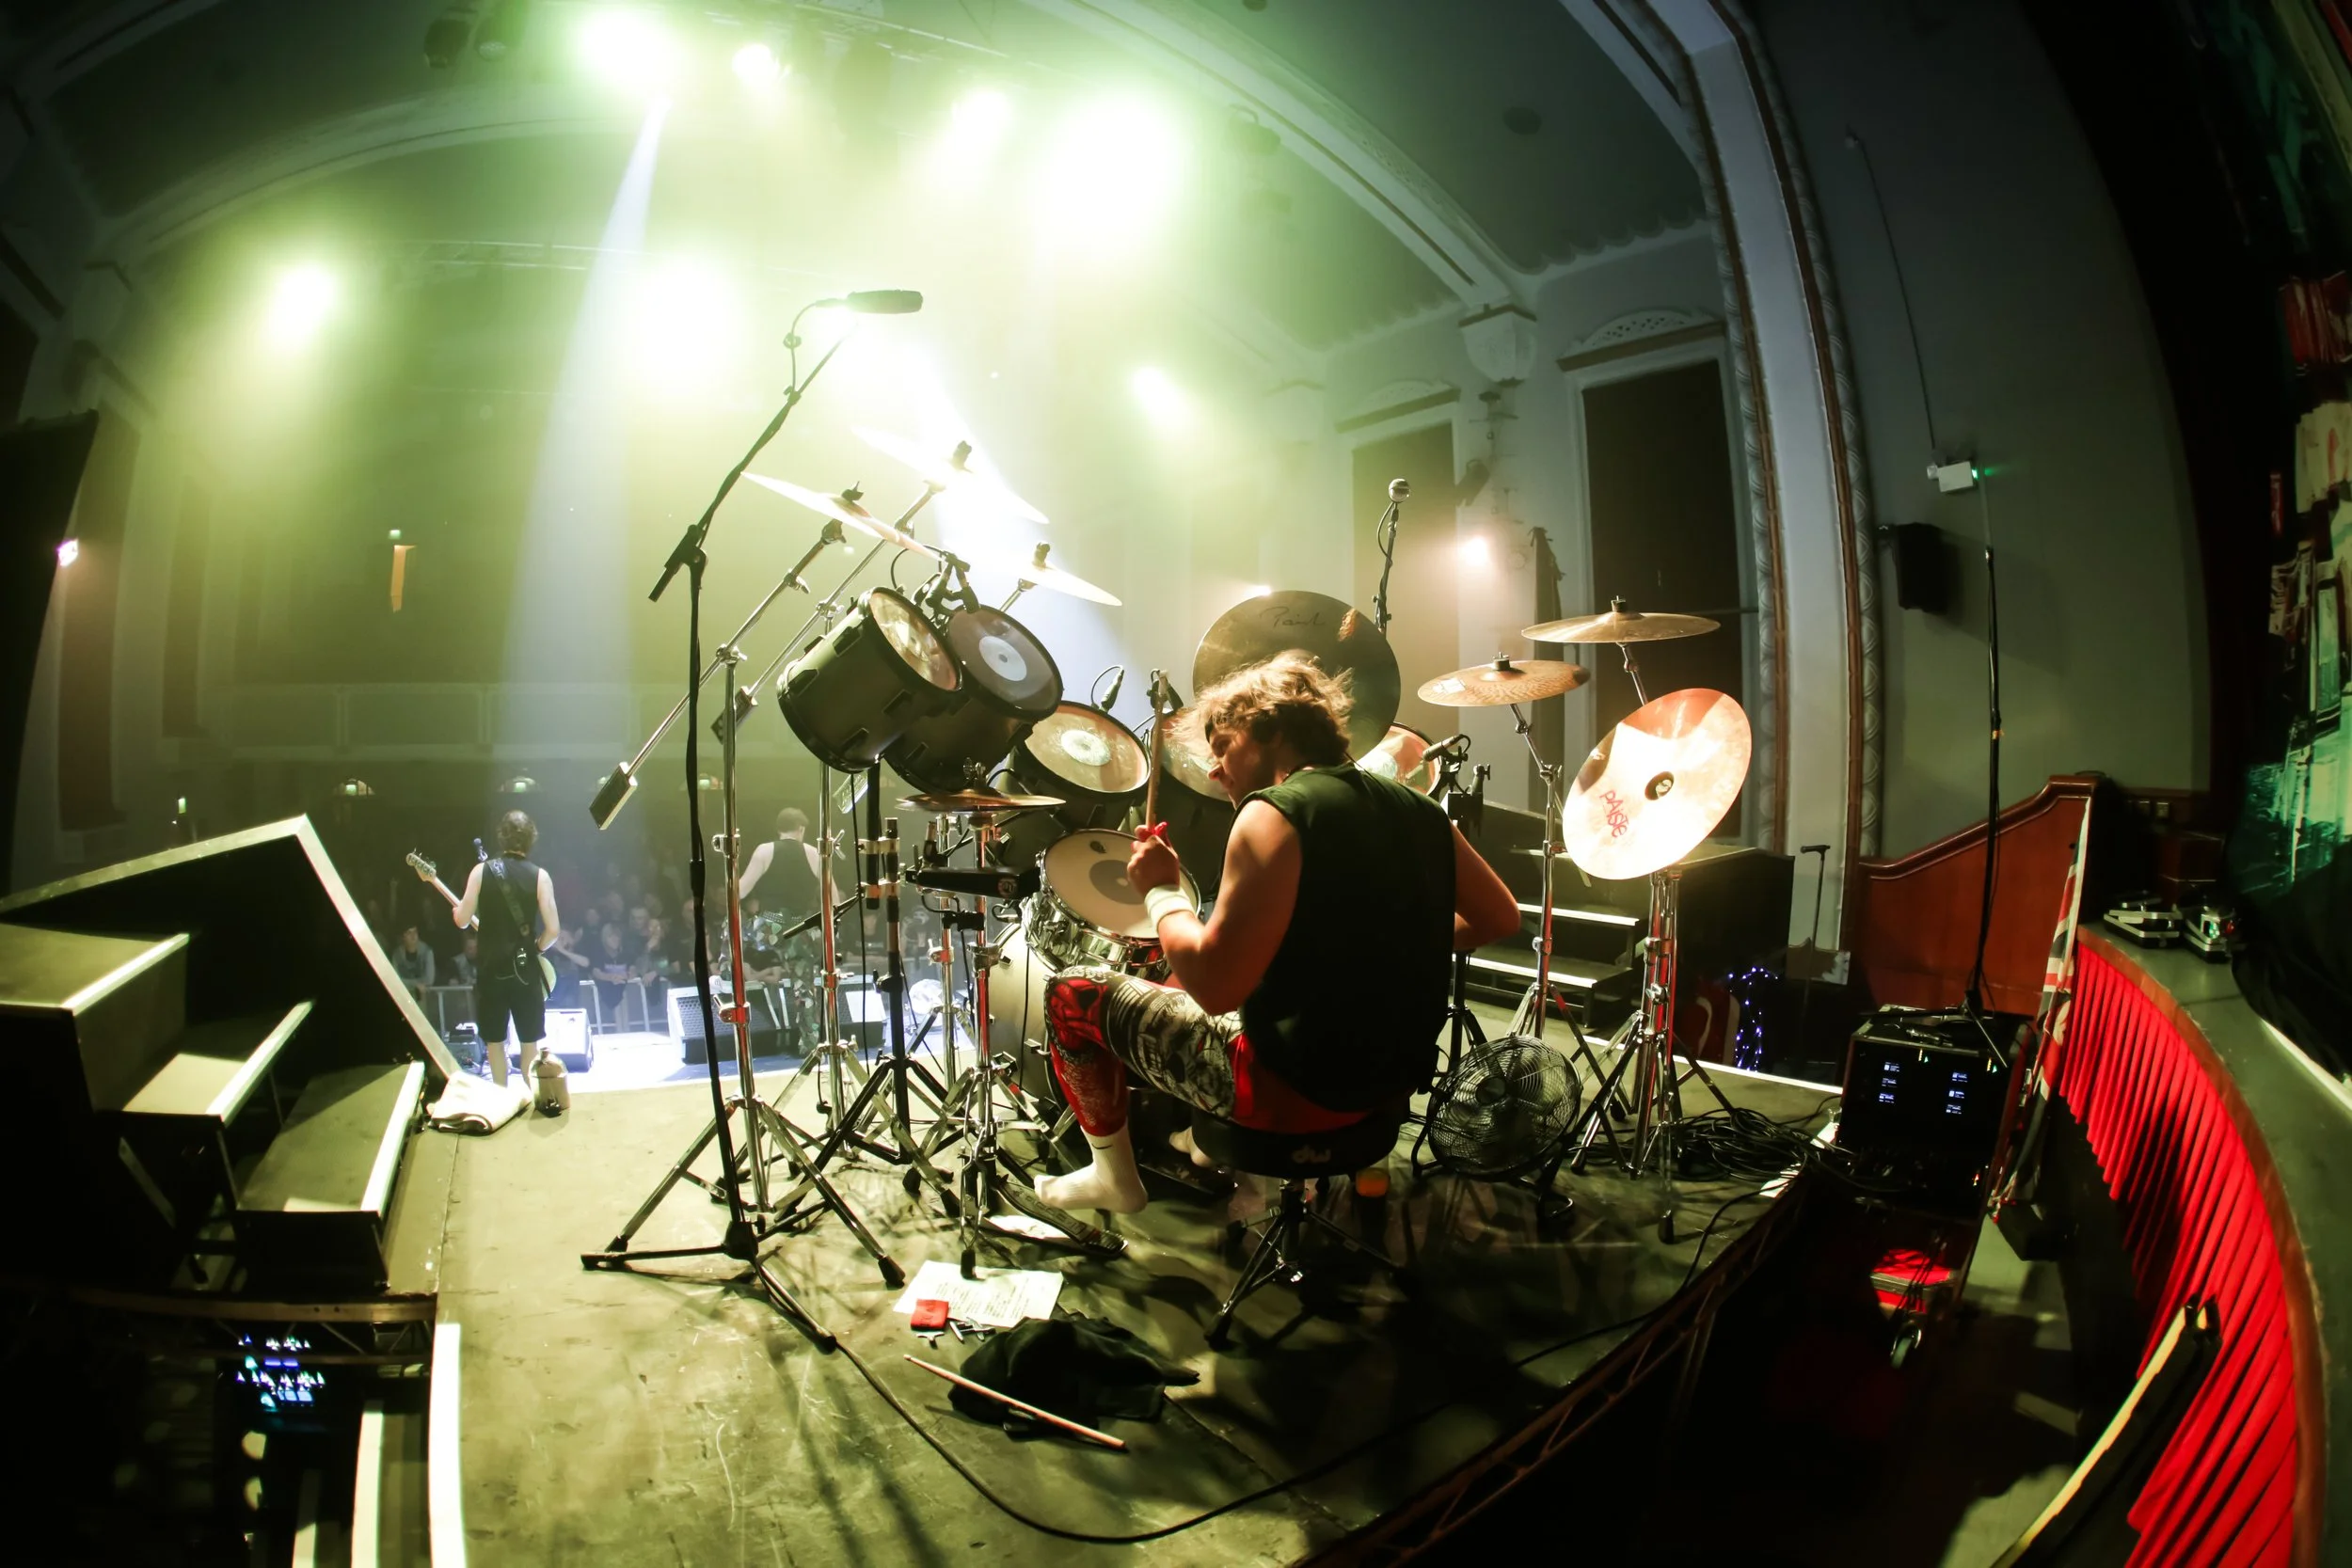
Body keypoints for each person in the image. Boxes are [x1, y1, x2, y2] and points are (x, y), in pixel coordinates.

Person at [1035, 656, 1521, 1215]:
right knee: (1176, 977)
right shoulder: (1421, 810)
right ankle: (1196, 1142)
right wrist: (1384, 939)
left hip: (1292, 1092)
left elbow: (1216, 989)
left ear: (1268, 727)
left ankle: (1111, 1176)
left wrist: (1160, 890)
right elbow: (1498, 919)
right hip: (1388, 1084)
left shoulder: (1274, 812)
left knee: (1072, 994)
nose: (1216, 770)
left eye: (1222, 747)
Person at [443, 810, 564, 1101]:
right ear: (531, 839)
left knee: (494, 1042)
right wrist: (535, 948)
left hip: (490, 970)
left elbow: (462, 920)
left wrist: (457, 913)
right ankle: (536, 1099)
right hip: (525, 972)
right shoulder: (541, 876)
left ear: (502, 836)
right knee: (529, 1043)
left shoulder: (480, 871)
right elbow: (553, 930)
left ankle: (501, 1101)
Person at [738, 806, 823, 919]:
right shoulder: (814, 853)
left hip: (769, 930)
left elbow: (740, 891)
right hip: (802, 929)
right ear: (801, 829)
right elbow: (832, 896)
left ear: (779, 830)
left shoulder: (764, 851)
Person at [389, 924, 436, 1001]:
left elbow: (430, 979)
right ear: (403, 937)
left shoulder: (427, 952)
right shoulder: (397, 955)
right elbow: (396, 980)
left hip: (424, 996)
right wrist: (416, 984)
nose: (413, 936)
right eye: (409, 933)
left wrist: (408, 983)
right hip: (402, 997)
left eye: (415, 932)